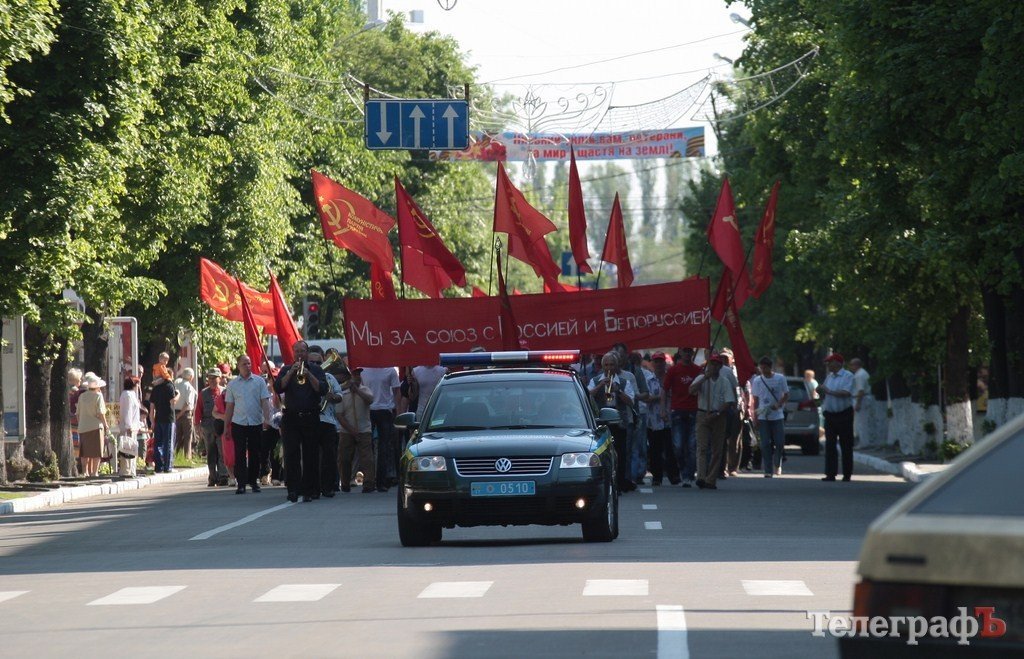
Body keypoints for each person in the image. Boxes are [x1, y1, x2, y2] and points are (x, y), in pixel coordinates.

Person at [274, 340, 327, 502]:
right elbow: (278, 388)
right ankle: (293, 489)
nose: (299, 354)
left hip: (311, 416)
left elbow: (322, 389)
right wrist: (291, 373)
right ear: (293, 353)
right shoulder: (286, 369)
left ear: (307, 352)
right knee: (291, 455)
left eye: (302, 351)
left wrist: (308, 374)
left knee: (311, 455)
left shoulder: (317, 369)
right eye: (296, 351)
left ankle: (310, 490)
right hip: (291, 417)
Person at [588, 351, 637, 492]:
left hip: (619, 422)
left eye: (612, 364)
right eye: (606, 364)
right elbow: (587, 396)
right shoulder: (595, 380)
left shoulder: (623, 382)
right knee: (602, 453)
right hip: (602, 422)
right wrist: (599, 386)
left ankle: (620, 483)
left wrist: (618, 391)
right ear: (602, 366)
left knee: (621, 453)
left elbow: (631, 402)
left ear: (616, 366)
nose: (609, 367)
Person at [224, 354, 272, 494]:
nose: (248, 366)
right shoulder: (232, 384)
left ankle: (253, 481)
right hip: (239, 422)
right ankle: (242, 483)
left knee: (255, 453)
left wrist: (267, 419)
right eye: (244, 364)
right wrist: (227, 426)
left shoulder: (259, 382)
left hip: (255, 422)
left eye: (249, 363)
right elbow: (229, 407)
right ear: (238, 366)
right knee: (239, 454)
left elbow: (265, 402)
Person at [689, 353, 735, 490]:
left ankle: (711, 479)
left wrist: (717, 413)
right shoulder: (701, 378)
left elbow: (728, 401)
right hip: (703, 414)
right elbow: (691, 391)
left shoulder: (724, 381)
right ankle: (701, 477)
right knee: (702, 447)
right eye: (712, 364)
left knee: (717, 449)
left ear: (720, 366)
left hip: (718, 416)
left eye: (716, 364)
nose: (714, 367)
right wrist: (704, 379)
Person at [662, 347, 701, 487]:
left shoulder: (697, 370)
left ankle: (688, 475)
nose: (687, 354)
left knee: (691, 445)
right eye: (685, 351)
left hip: (693, 411)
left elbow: (703, 389)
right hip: (677, 410)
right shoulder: (673, 370)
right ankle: (683, 469)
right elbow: (665, 389)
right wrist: (663, 409)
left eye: (689, 351)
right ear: (680, 353)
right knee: (678, 445)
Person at [308, 345, 343, 498]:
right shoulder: (303, 376)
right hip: (310, 420)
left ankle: (328, 487)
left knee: (329, 456)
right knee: (312, 456)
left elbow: (339, 395)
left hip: (328, 421)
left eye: (318, 362)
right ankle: (313, 488)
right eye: (313, 363)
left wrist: (333, 397)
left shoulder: (329, 377)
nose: (316, 365)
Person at [360, 365, 402, 491]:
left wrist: (398, 413)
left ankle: (381, 481)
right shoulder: (363, 370)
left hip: (385, 410)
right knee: (368, 447)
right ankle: (369, 481)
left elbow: (396, 392)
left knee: (384, 447)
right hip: (368, 410)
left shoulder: (390, 370)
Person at [335, 366, 376, 493]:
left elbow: (370, 400)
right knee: (344, 458)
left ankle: (369, 483)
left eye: (358, 375)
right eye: (354, 375)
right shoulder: (342, 393)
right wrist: (351, 430)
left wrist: (357, 391)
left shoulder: (365, 390)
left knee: (367, 458)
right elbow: (339, 415)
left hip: (364, 429)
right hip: (347, 431)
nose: (357, 377)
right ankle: (346, 482)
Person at [818, 353, 855, 482]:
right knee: (830, 445)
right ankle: (830, 474)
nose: (828, 365)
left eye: (830, 362)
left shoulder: (848, 376)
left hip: (844, 414)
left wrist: (828, 391)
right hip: (830, 415)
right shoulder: (829, 377)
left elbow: (846, 393)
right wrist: (820, 390)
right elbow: (825, 391)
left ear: (838, 363)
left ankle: (847, 474)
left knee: (846, 445)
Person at [750, 356, 789, 478]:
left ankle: (777, 463)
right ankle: (768, 469)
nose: (762, 370)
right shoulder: (757, 380)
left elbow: (786, 394)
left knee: (779, 441)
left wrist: (779, 404)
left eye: (765, 367)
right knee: (765, 443)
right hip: (763, 416)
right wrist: (755, 417)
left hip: (777, 416)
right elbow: (755, 400)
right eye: (761, 368)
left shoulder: (780, 378)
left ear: (770, 367)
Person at [646, 352, 679, 486]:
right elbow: (646, 398)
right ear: (653, 363)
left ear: (665, 363)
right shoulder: (649, 380)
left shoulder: (671, 378)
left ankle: (674, 475)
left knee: (671, 449)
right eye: (656, 361)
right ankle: (657, 476)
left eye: (661, 361)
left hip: (669, 419)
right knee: (655, 450)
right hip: (654, 420)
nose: (659, 364)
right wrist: (661, 397)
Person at [195, 369, 227, 487]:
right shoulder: (203, 393)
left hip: (221, 425)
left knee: (222, 451)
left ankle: (223, 476)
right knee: (211, 453)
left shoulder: (225, 391)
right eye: (210, 378)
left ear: (220, 378)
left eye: (215, 378)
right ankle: (213, 476)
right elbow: (198, 410)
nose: (212, 380)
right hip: (207, 426)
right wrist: (197, 425)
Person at [77, 373, 109, 477]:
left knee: (84, 451)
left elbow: (78, 413)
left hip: (83, 426)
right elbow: (101, 413)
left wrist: (81, 423)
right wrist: (106, 425)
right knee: (96, 451)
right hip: (95, 426)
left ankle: (85, 472)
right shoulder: (98, 396)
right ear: (97, 386)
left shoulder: (82, 396)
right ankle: (94, 472)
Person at [718, 348, 742, 479]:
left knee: (733, 439)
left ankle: (732, 466)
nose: (723, 360)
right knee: (720, 440)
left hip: (733, 408)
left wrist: (741, 406)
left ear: (732, 359)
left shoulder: (734, 372)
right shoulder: (711, 370)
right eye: (721, 358)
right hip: (717, 408)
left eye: (726, 358)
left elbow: (739, 388)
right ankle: (721, 467)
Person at [149, 370, 179, 473]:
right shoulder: (170, 386)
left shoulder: (156, 388)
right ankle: (168, 466)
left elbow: (152, 407)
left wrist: (152, 421)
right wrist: (178, 395)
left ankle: (158, 466)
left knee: (158, 443)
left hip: (158, 419)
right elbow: (172, 402)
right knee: (168, 443)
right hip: (169, 418)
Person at [118, 377, 143, 476]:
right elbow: (127, 411)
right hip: (129, 427)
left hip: (133, 426)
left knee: (132, 448)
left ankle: (132, 470)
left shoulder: (132, 395)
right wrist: (128, 426)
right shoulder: (127, 395)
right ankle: (126, 470)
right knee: (127, 448)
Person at [174, 367, 198, 460]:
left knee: (177, 437)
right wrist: (180, 414)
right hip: (186, 414)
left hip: (175, 412)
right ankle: (187, 457)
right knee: (188, 437)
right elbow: (188, 403)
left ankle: (176, 456)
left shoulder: (176, 384)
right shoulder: (189, 387)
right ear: (191, 377)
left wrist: (177, 415)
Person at [850, 358, 874, 446]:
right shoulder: (863, 373)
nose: (851, 367)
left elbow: (861, 390)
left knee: (861, 423)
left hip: (862, 399)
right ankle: (864, 442)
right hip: (864, 398)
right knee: (862, 422)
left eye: (852, 365)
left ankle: (864, 443)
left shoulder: (859, 375)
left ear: (856, 365)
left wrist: (858, 403)